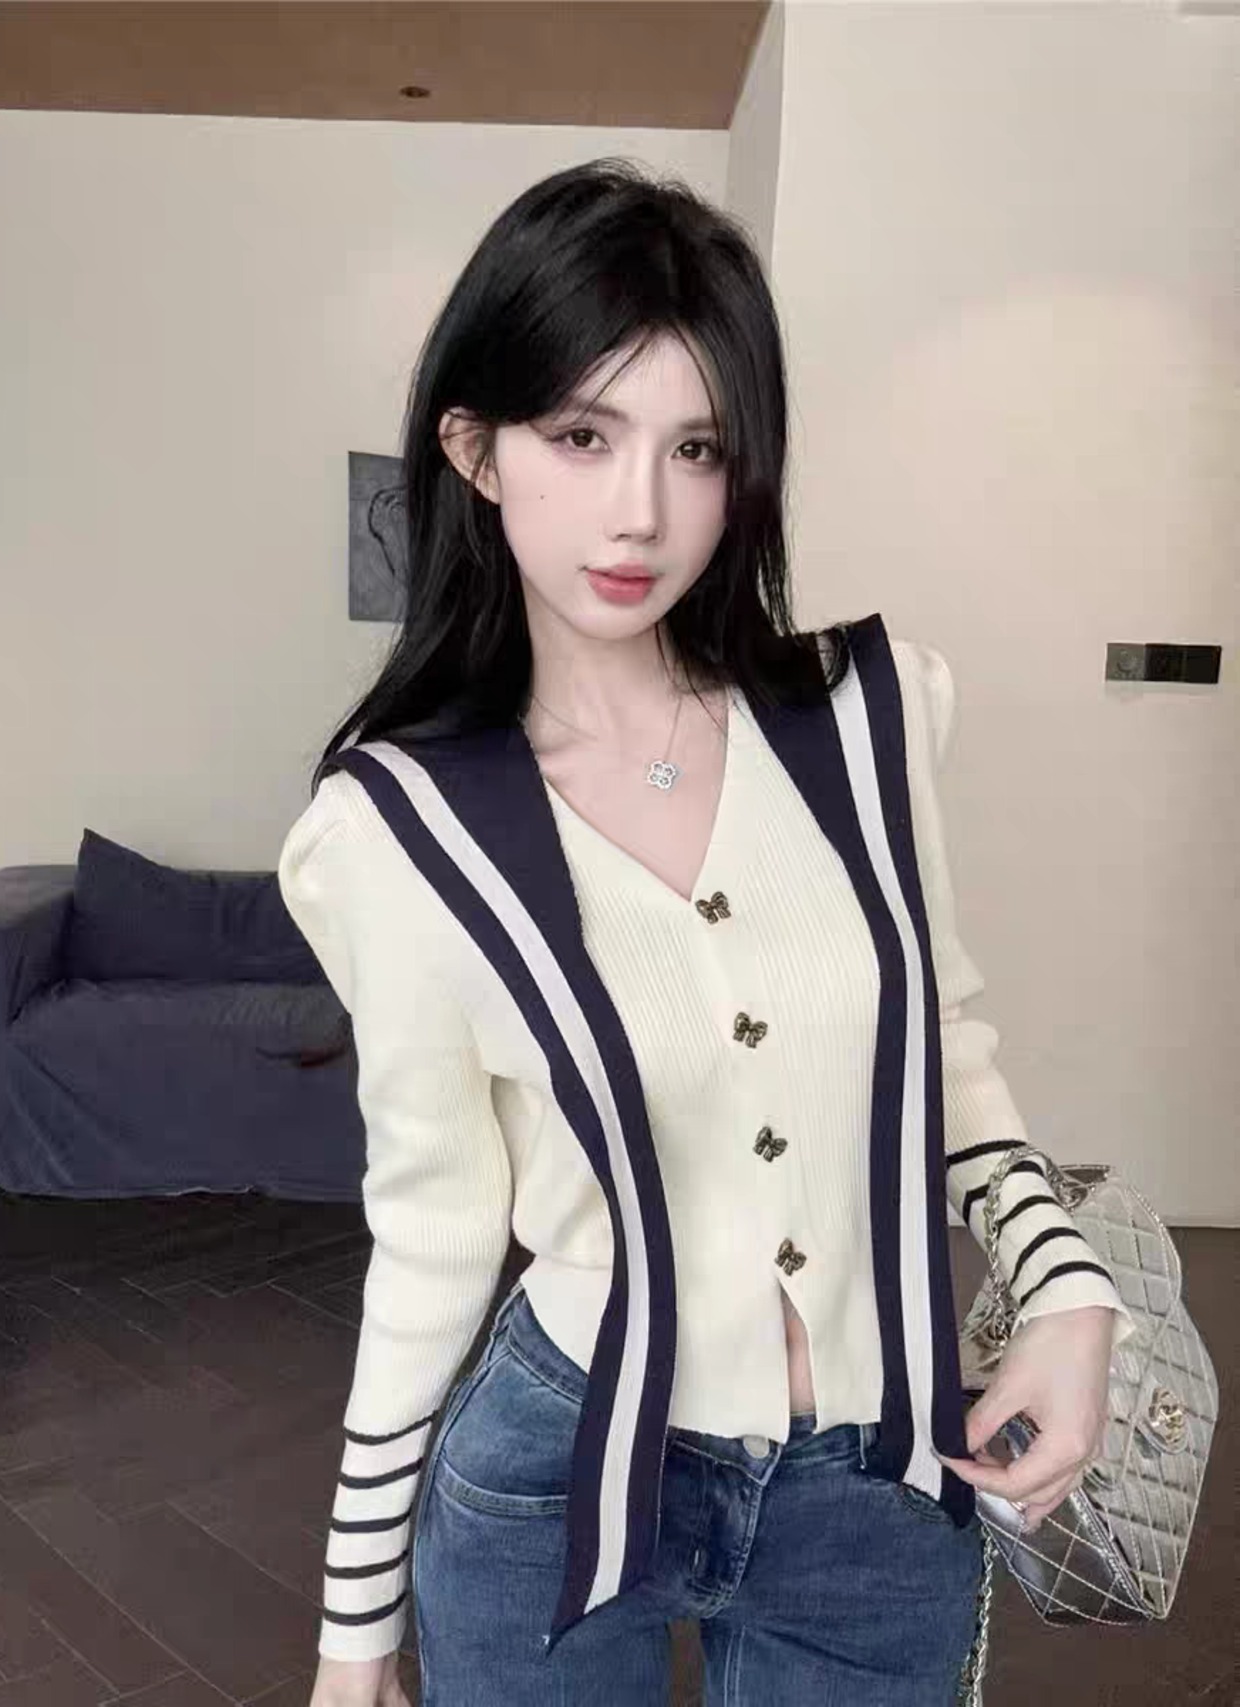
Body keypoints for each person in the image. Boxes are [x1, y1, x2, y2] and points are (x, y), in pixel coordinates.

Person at [278, 158, 1134, 1707]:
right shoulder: (395, 834)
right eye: (582, 436)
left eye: (698, 448)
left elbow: (940, 1053)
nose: (641, 511)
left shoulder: (867, 723)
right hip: (558, 1472)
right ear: (475, 451)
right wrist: (354, 1629)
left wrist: (1066, 1282)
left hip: (880, 1481)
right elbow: (436, 1230)